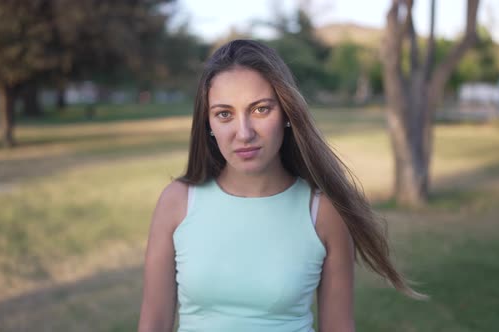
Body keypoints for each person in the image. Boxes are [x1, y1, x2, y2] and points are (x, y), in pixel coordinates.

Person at [138, 39, 424, 332]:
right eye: (224, 114)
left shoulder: (322, 212)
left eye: (261, 109)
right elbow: (152, 325)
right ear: (208, 123)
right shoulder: (177, 202)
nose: (244, 133)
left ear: (286, 113)